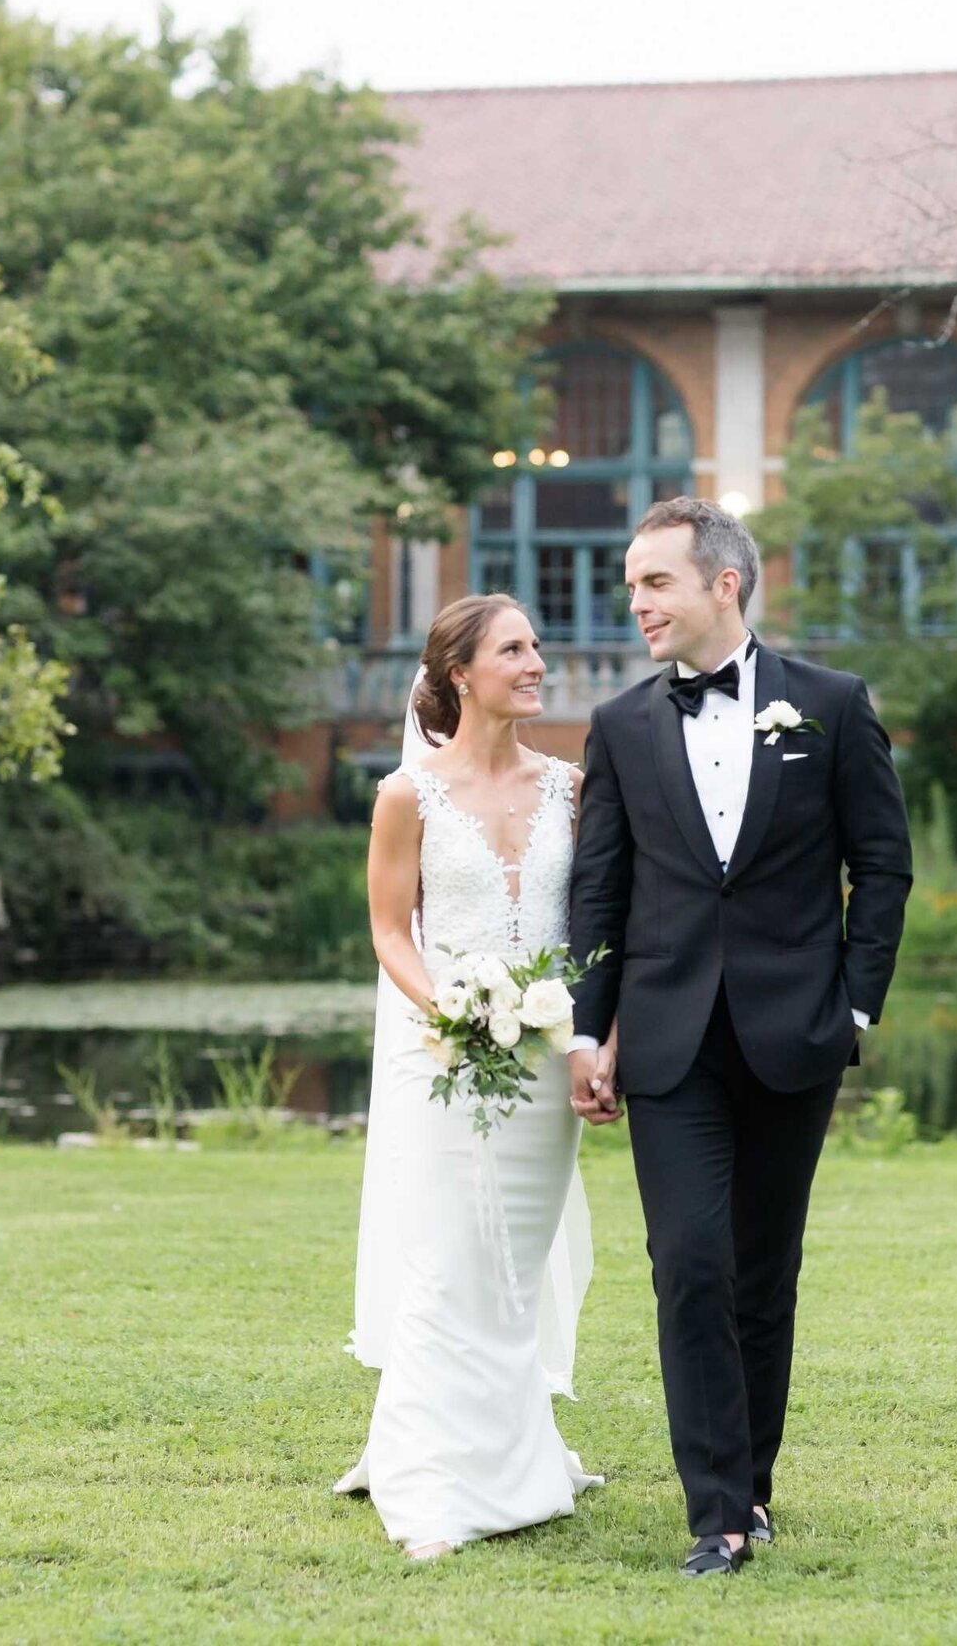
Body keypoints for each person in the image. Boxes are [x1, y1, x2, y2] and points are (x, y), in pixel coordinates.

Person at [568, 496, 912, 1578]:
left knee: (763, 1271)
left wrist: (853, 1005)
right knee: (689, 1265)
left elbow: (884, 863)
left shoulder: (833, 705)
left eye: (654, 582)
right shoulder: (620, 726)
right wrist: (588, 1031)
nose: (636, 604)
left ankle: (752, 1489)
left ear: (724, 584)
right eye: (631, 585)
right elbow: (599, 890)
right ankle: (712, 1512)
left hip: (791, 1035)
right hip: (667, 1045)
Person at [333, 593, 602, 1559]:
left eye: (536, 647)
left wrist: (587, 1039)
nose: (538, 662)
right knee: (450, 1255)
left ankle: (520, 1436)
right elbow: (387, 931)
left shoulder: (571, 787)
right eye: (516, 649)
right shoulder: (408, 795)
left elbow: (590, 929)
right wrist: (446, 1007)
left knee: (513, 1266)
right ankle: (434, 1476)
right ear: (460, 674)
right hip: (442, 1054)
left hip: (541, 1061)